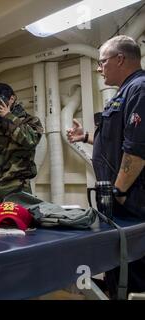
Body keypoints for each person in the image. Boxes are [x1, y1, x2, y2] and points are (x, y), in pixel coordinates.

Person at [67, 35, 145, 298]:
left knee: (134, 278)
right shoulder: (125, 93)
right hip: (119, 206)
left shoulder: (140, 89)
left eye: (102, 62)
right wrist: (87, 137)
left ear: (120, 59)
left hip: (132, 206)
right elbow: (117, 140)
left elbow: (137, 149)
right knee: (118, 274)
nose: (99, 69)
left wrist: (118, 192)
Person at [0, 83, 43, 218]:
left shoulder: (30, 120)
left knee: (16, 227)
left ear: (12, 99)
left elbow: (30, 141)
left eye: (1, 100)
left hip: (15, 187)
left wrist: (8, 116)